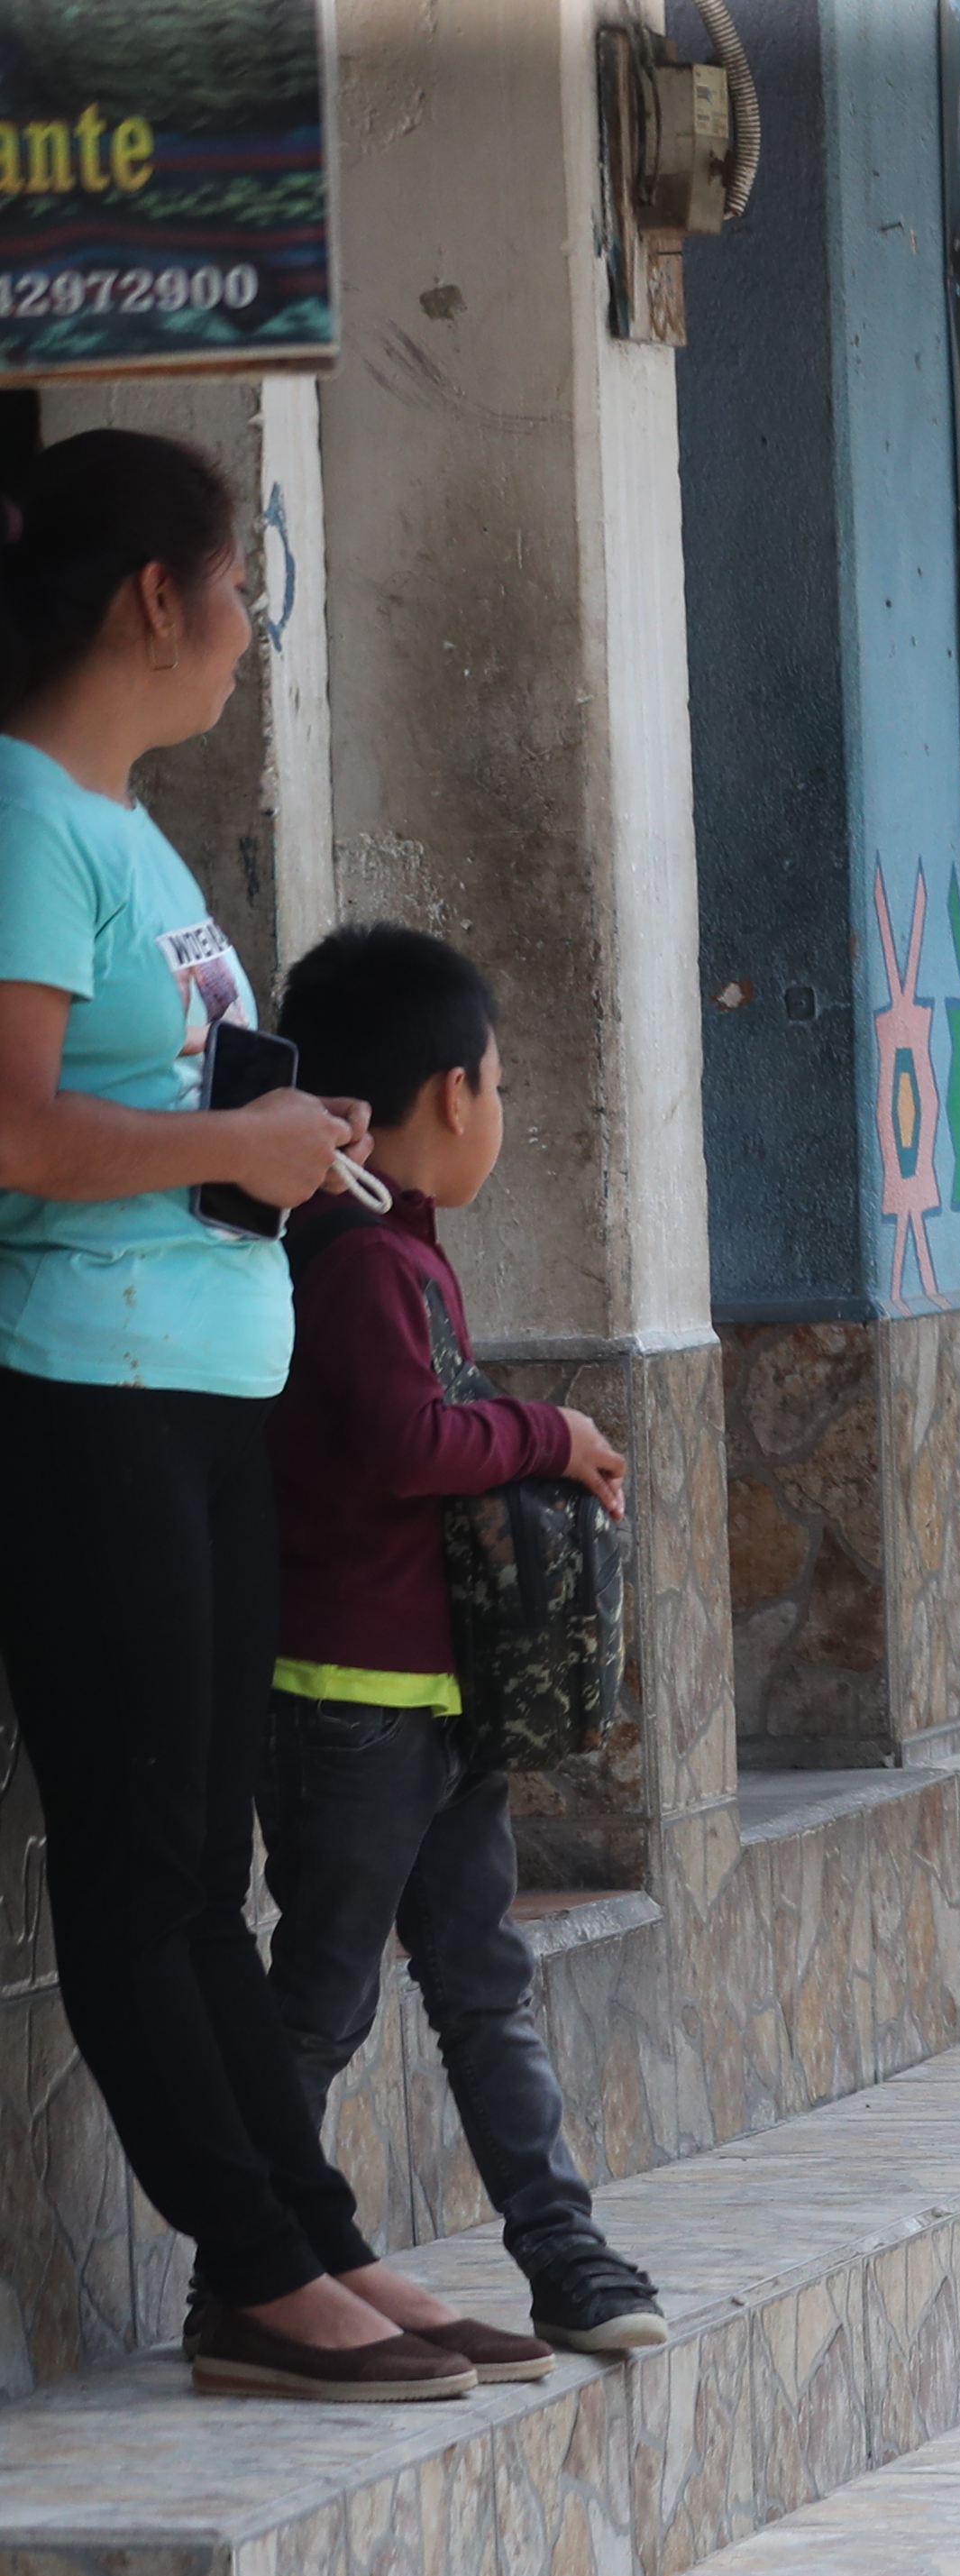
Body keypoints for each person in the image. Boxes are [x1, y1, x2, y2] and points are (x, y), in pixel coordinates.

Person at [0, 430, 506, 2406]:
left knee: (204, 1871)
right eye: (241, 590)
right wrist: (243, 1136)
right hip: (85, 1392)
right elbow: (22, 1125)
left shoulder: (122, 830)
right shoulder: (26, 819)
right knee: (141, 1873)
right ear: (154, 600)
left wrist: (282, 1145)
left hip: (192, 1390)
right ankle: (256, 2269)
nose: (246, 631)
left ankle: (306, 2248)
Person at [258, 921, 660, 2356]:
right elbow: (401, 1439)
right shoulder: (361, 1261)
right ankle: (249, 2275)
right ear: (448, 1094)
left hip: (438, 1706)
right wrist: (552, 1431)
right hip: (350, 1712)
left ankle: (571, 2262)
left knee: (485, 1986)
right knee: (319, 2003)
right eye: (499, 1085)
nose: (503, 1114)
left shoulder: (398, 1256)